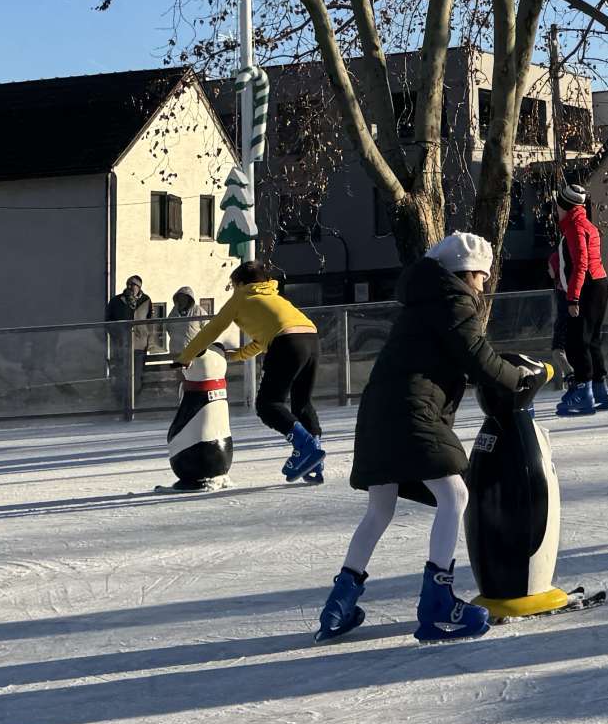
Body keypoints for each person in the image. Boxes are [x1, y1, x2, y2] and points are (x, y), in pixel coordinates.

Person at [317, 232, 551, 644]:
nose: (483, 286)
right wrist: (522, 377)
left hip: (378, 412)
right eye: (482, 277)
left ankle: (339, 604)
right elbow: (478, 358)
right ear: (469, 272)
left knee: (379, 510)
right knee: (454, 496)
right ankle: (437, 602)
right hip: (412, 411)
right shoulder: (454, 300)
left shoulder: (424, 299)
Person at [181, 259, 327, 480]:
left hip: (286, 342)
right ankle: (315, 462)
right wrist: (237, 355)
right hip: (311, 338)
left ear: (241, 283)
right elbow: (261, 341)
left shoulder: (241, 296)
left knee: (268, 405)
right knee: (302, 403)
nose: (233, 290)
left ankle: (305, 446)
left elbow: (213, 328)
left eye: (233, 285)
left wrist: (186, 356)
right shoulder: (273, 296)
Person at [550, 182, 608, 418]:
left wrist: (573, 298)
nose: (556, 210)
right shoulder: (587, 225)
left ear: (565, 206)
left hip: (586, 288)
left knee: (577, 343)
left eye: (558, 206)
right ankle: (600, 391)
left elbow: (580, 265)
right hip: (599, 284)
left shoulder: (575, 228)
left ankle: (583, 394)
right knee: (592, 341)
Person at [163, 286, 200, 360]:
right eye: (180, 297)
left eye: (184, 297)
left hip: (193, 353)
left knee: (193, 367)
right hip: (176, 352)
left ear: (189, 299)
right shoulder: (173, 312)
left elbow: (208, 327)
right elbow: (168, 328)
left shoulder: (197, 310)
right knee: (178, 367)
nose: (182, 300)